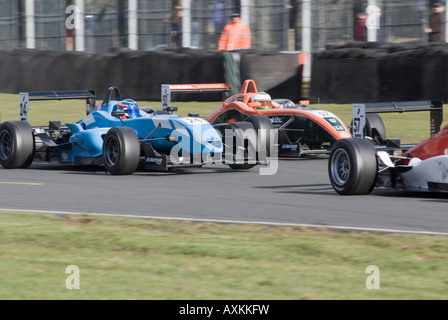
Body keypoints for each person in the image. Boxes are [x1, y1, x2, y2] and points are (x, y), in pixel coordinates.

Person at [218, 13, 251, 95]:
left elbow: (246, 41)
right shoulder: (227, 27)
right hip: (228, 53)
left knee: (236, 74)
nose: (234, 18)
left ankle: (237, 93)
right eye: (233, 17)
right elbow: (223, 39)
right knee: (229, 75)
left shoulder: (243, 27)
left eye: (236, 17)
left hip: (237, 53)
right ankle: (231, 93)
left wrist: (243, 51)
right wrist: (221, 49)